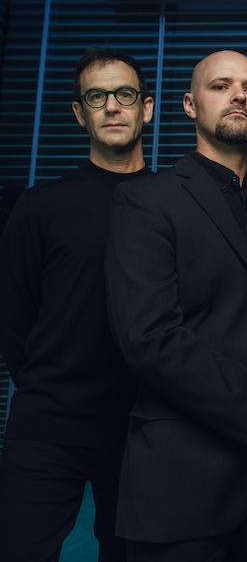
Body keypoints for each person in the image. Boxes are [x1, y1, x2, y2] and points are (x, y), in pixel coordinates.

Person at [104, 50, 247, 561]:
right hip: (182, 488)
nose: (238, 96)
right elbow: (149, 337)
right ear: (189, 105)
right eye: (221, 86)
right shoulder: (145, 202)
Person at [0, 47, 154, 561]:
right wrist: (48, 379)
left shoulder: (174, 202)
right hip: (50, 420)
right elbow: (13, 313)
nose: (112, 106)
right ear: (79, 112)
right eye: (97, 96)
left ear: (146, 108)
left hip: (141, 424)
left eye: (124, 94)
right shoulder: (39, 206)